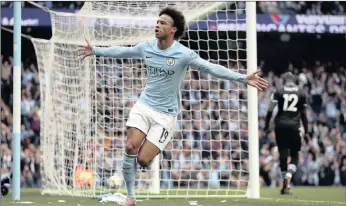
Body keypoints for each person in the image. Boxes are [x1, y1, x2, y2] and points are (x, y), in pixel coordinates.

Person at [79, 7, 268, 206]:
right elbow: (122, 51)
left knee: (143, 160)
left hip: (165, 115)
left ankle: (137, 170)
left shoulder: (183, 54)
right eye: (157, 22)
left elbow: (211, 67)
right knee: (130, 146)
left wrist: (242, 77)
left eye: (162, 23)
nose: (157, 25)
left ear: (173, 30)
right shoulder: (146, 47)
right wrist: (96, 50)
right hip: (143, 106)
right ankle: (130, 196)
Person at [264, 72, 309, 195]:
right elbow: (304, 116)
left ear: (283, 81)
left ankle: (285, 183)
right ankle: (288, 176)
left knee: (283, 154)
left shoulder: (278, 91)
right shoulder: (301, 92)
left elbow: (269, 110)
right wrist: (307, 132)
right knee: (294, 155)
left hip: (280, 126)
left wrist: (266, 126)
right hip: (295, 127)